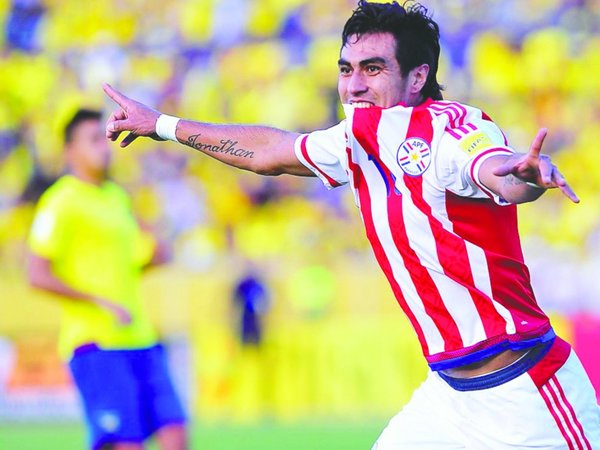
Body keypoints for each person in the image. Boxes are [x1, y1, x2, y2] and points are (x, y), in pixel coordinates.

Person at [102, 1, 600, 448]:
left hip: (527, 393)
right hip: (449, 398)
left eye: (373, 68)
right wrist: (163, 125)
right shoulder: (357, 136)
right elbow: (271, 152)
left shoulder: (450, 127)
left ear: (418, 76)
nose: (354, 84)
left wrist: (524, 176)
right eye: (346, 69)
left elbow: (492, 168)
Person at [27, 109, 187, 450]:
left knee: (176, 434)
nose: (104, 147)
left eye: (104, 139)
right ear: (69, 150)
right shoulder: (60, 201)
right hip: (96, 342)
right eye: (93, 140)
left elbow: (127, 265)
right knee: (126, 444)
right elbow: (36, 274)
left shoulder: (117, 197)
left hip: (140, 335)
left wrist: (154, 258)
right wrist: (98, 301)